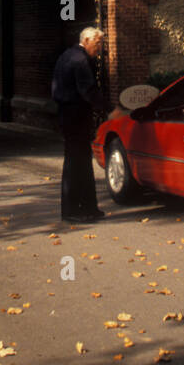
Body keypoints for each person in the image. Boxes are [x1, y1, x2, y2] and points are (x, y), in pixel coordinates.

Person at [51, 26, 111, 224]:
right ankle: (76, 210)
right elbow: (89, 91)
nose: (99, 48)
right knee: (78, 163)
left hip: (67, 115)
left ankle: (85, 208)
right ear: (86, 41)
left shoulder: (66, 56)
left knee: (77, 162)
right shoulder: (81, 60)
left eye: (100, 43)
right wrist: (109, 110)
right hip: (76, 116)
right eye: (97, 43)